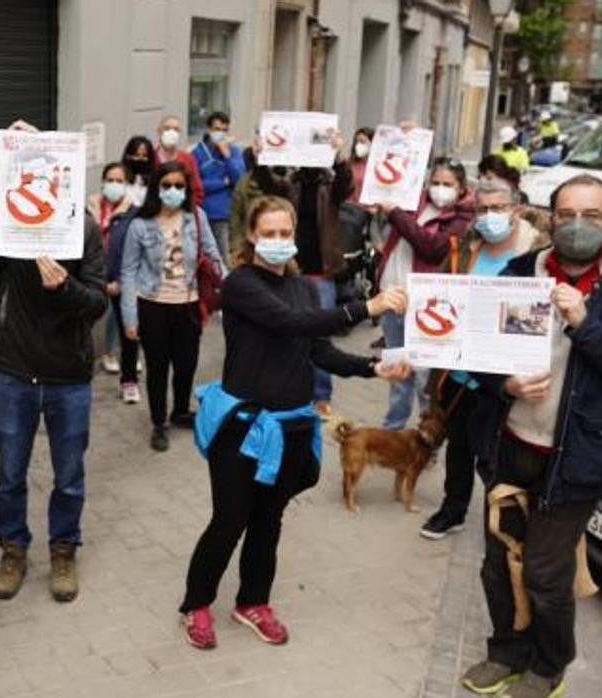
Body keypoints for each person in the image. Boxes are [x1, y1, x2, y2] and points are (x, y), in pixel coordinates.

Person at [460, 175, 602, 697]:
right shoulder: (516, 274)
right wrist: (502, 382)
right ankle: (505, 652)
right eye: (566, 214)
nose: (578, 225)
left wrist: (586, 323)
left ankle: (549, 664)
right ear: (549, 218)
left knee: (544, 572)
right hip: (509, 446)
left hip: (578, 457)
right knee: (497, 564)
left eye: (592, 215)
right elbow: (475, 350)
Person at [178, 197, 410, 650]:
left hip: (292, 427)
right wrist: (369, 307)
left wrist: (371, 367)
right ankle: (196, 604)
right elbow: (288, 323)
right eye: (270, 233)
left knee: (269, 520)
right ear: (251, 236)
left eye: (286, 234)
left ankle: (252, 603)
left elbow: (316, 348)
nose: (279, 242)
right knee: (230, 521)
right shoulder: (241, 285)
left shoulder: (302, 286)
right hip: (244, 429)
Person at [0, 120, 107, 604]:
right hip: (15, 370)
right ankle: (13, 549)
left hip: (68, 375)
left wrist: (62, 287)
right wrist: (3, 151)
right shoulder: (10, 223)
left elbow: (96, 303)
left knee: (69, 474)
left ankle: (64, 550)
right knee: (10, 473)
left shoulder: (84, 228)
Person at [419, 179, 548, 541]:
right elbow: (439, 294)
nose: (489, 216)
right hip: (459, 374)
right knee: (458, 448)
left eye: (498, 208)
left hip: (509, 381)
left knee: (496, 458)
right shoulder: (463, 250)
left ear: (517, 210)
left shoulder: (538, 255)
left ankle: (504, 524)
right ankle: (452, 510)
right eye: (482, 209)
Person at [233, 132, 353, 415]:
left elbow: (346, 183)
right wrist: (258, 154)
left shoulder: (330, 186)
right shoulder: (290, 185)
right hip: (291, 267)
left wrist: (339, 157)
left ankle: (321, 395)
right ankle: (291, 386)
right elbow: (264, 181)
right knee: (291, 332)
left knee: (319, 334)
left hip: (321, 272)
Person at [120, 161, 224, 452]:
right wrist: (130, 317)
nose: (173, 191)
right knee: (157, 367)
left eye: (179, 186)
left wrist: (233, 290)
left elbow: (213, 256)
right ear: (156, 188)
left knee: (187, 363)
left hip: (189, 305)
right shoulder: (139, 225)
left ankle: (180, 411)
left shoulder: (197, 218)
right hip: (153, 305)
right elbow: (128, 272)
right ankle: (158, 422)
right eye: (166, 185)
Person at [371, 157, 476, 429]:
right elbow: (398, 167)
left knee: (423, 378)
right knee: (397, 371)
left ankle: (426, 434)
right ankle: (393, 428)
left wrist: (395, 213)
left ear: (461, 187)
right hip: (392, 298)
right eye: (435, 183)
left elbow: (431, 247)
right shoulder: (413, 201)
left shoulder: (463, 218)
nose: (440, 188)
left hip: (427, 308)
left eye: (447, 184)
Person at [94, 162, 144, 403]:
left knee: (129, 332)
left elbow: (136, 252)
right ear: (102, 182)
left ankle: (129, 381)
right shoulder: (88, 209)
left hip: (121, 282)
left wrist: (121, 283)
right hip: (91, 281)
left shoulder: (134, 214)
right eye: (109, 180)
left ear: (126, 185)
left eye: (118, 181)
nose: (113, 185)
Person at [192, 111, 247, 264]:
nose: (220, 134)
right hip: (203, 211)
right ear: (208, 130)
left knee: (223, 254)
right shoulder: (197, 153)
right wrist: (222, 183)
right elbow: (197, 184)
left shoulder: (234, 151)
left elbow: (239, 178)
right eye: (217, 129)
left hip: (224, 213)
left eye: (224, 130)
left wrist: (227, 156)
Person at [156, 115, 204, 208]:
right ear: (159, 130)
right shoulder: (151, 157)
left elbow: (196, 190)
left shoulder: (188, 159)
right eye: (167, 128)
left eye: (175, 129)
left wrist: (189, 210)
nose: (171, 132)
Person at [121, 136, 158, 207]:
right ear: (128, 156)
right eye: (136, 155)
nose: (140, 159)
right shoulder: (120, 177)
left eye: (144, 156)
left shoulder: (155, 179)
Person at [346, 127, 375, 204]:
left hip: (371, 210)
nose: (358, 145)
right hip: (351, 209)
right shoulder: (349, 163)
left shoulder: (378, 166)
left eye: (362, 142)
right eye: (356, 142)